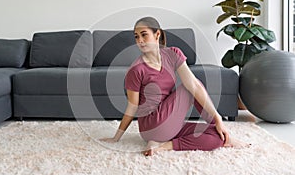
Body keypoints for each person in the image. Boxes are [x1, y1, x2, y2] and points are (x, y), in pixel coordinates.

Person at [100, 17, 248, 156]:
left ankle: (163, 145)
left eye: (144, 35)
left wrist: (218, 121)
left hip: (169, 122)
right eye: (136, 36)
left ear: (157, 34)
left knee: (216, 136)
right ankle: (165, 142)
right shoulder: (136, 69)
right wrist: (116, 137)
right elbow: (132, 107)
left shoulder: (173, 54)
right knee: (191, 87)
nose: (140, 41)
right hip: (151, 125)